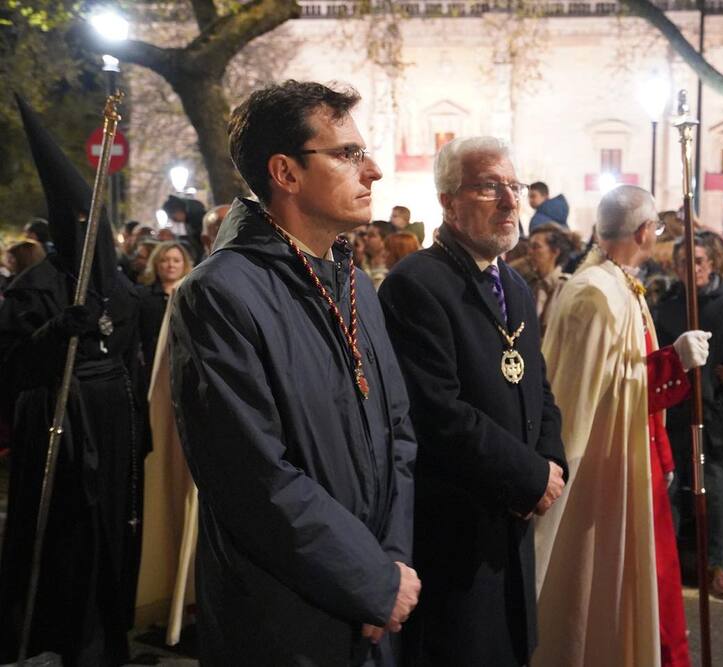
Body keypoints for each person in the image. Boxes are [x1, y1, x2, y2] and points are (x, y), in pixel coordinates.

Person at [169, 80, 420, 665]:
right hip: (284, 611)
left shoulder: (355, 283)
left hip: (377, 601)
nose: (373, 170)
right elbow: (252, 476)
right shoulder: (219, 293)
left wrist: (392, 564)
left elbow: (398, 432)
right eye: (347, 154)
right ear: (285, 172)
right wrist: (371, 580)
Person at [379, 136, 567, 667]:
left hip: (512, 516)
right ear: (447, 201)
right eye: (490, 187)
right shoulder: (416, 283)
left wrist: (551, 463)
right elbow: (436, 412)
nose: (511, 201)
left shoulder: (514, 284)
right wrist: (528, 475)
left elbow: (539, 390)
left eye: (514, 185)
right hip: (456, 522)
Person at [535, 185, 710, 667]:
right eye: (656, 227)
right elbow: (590, 396)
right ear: (643, 232)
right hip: (602, 471)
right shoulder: (595, 292)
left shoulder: (618, 282)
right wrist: (674, 363)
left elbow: (622, 376)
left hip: (637, 456)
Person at [0, 94, 146, 666]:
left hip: (112, 425)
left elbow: (131, 350)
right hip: (58, 424)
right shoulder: (32, 286)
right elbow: (9, 371)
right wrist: (56, 333)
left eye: (94, 223)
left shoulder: (120, 284)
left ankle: (106, 638)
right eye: (77, 223)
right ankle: (51, 637)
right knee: (65, 537)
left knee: (111, 533)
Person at [653, 236, 723, 601]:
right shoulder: (665, 308)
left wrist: (716, 405)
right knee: (669, 494)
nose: (693, 268)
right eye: (685, 261)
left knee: (710, 494)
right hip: (672, 422)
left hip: (708, 427)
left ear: (712, 264)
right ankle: (665, 565)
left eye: (699, 260)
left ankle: (717, 566)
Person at [137, 241, 193, 371]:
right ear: (156, 264)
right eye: (164, 260)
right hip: (151, 360)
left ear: (184, 264)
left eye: (176, 260)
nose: (171, 265)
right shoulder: (142, 295)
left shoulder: (192, 295)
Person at [527, 222, 574, 337]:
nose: (529, 252)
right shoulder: (530, 285)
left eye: (536, 247)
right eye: (529, 247)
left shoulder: (566, 287)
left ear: (555, 252)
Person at [363, 220, 394, 290]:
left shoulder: (390, 271)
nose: (365, 238)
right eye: (366, 234)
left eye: (371, 235)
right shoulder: (359, 262)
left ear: (385, 240)